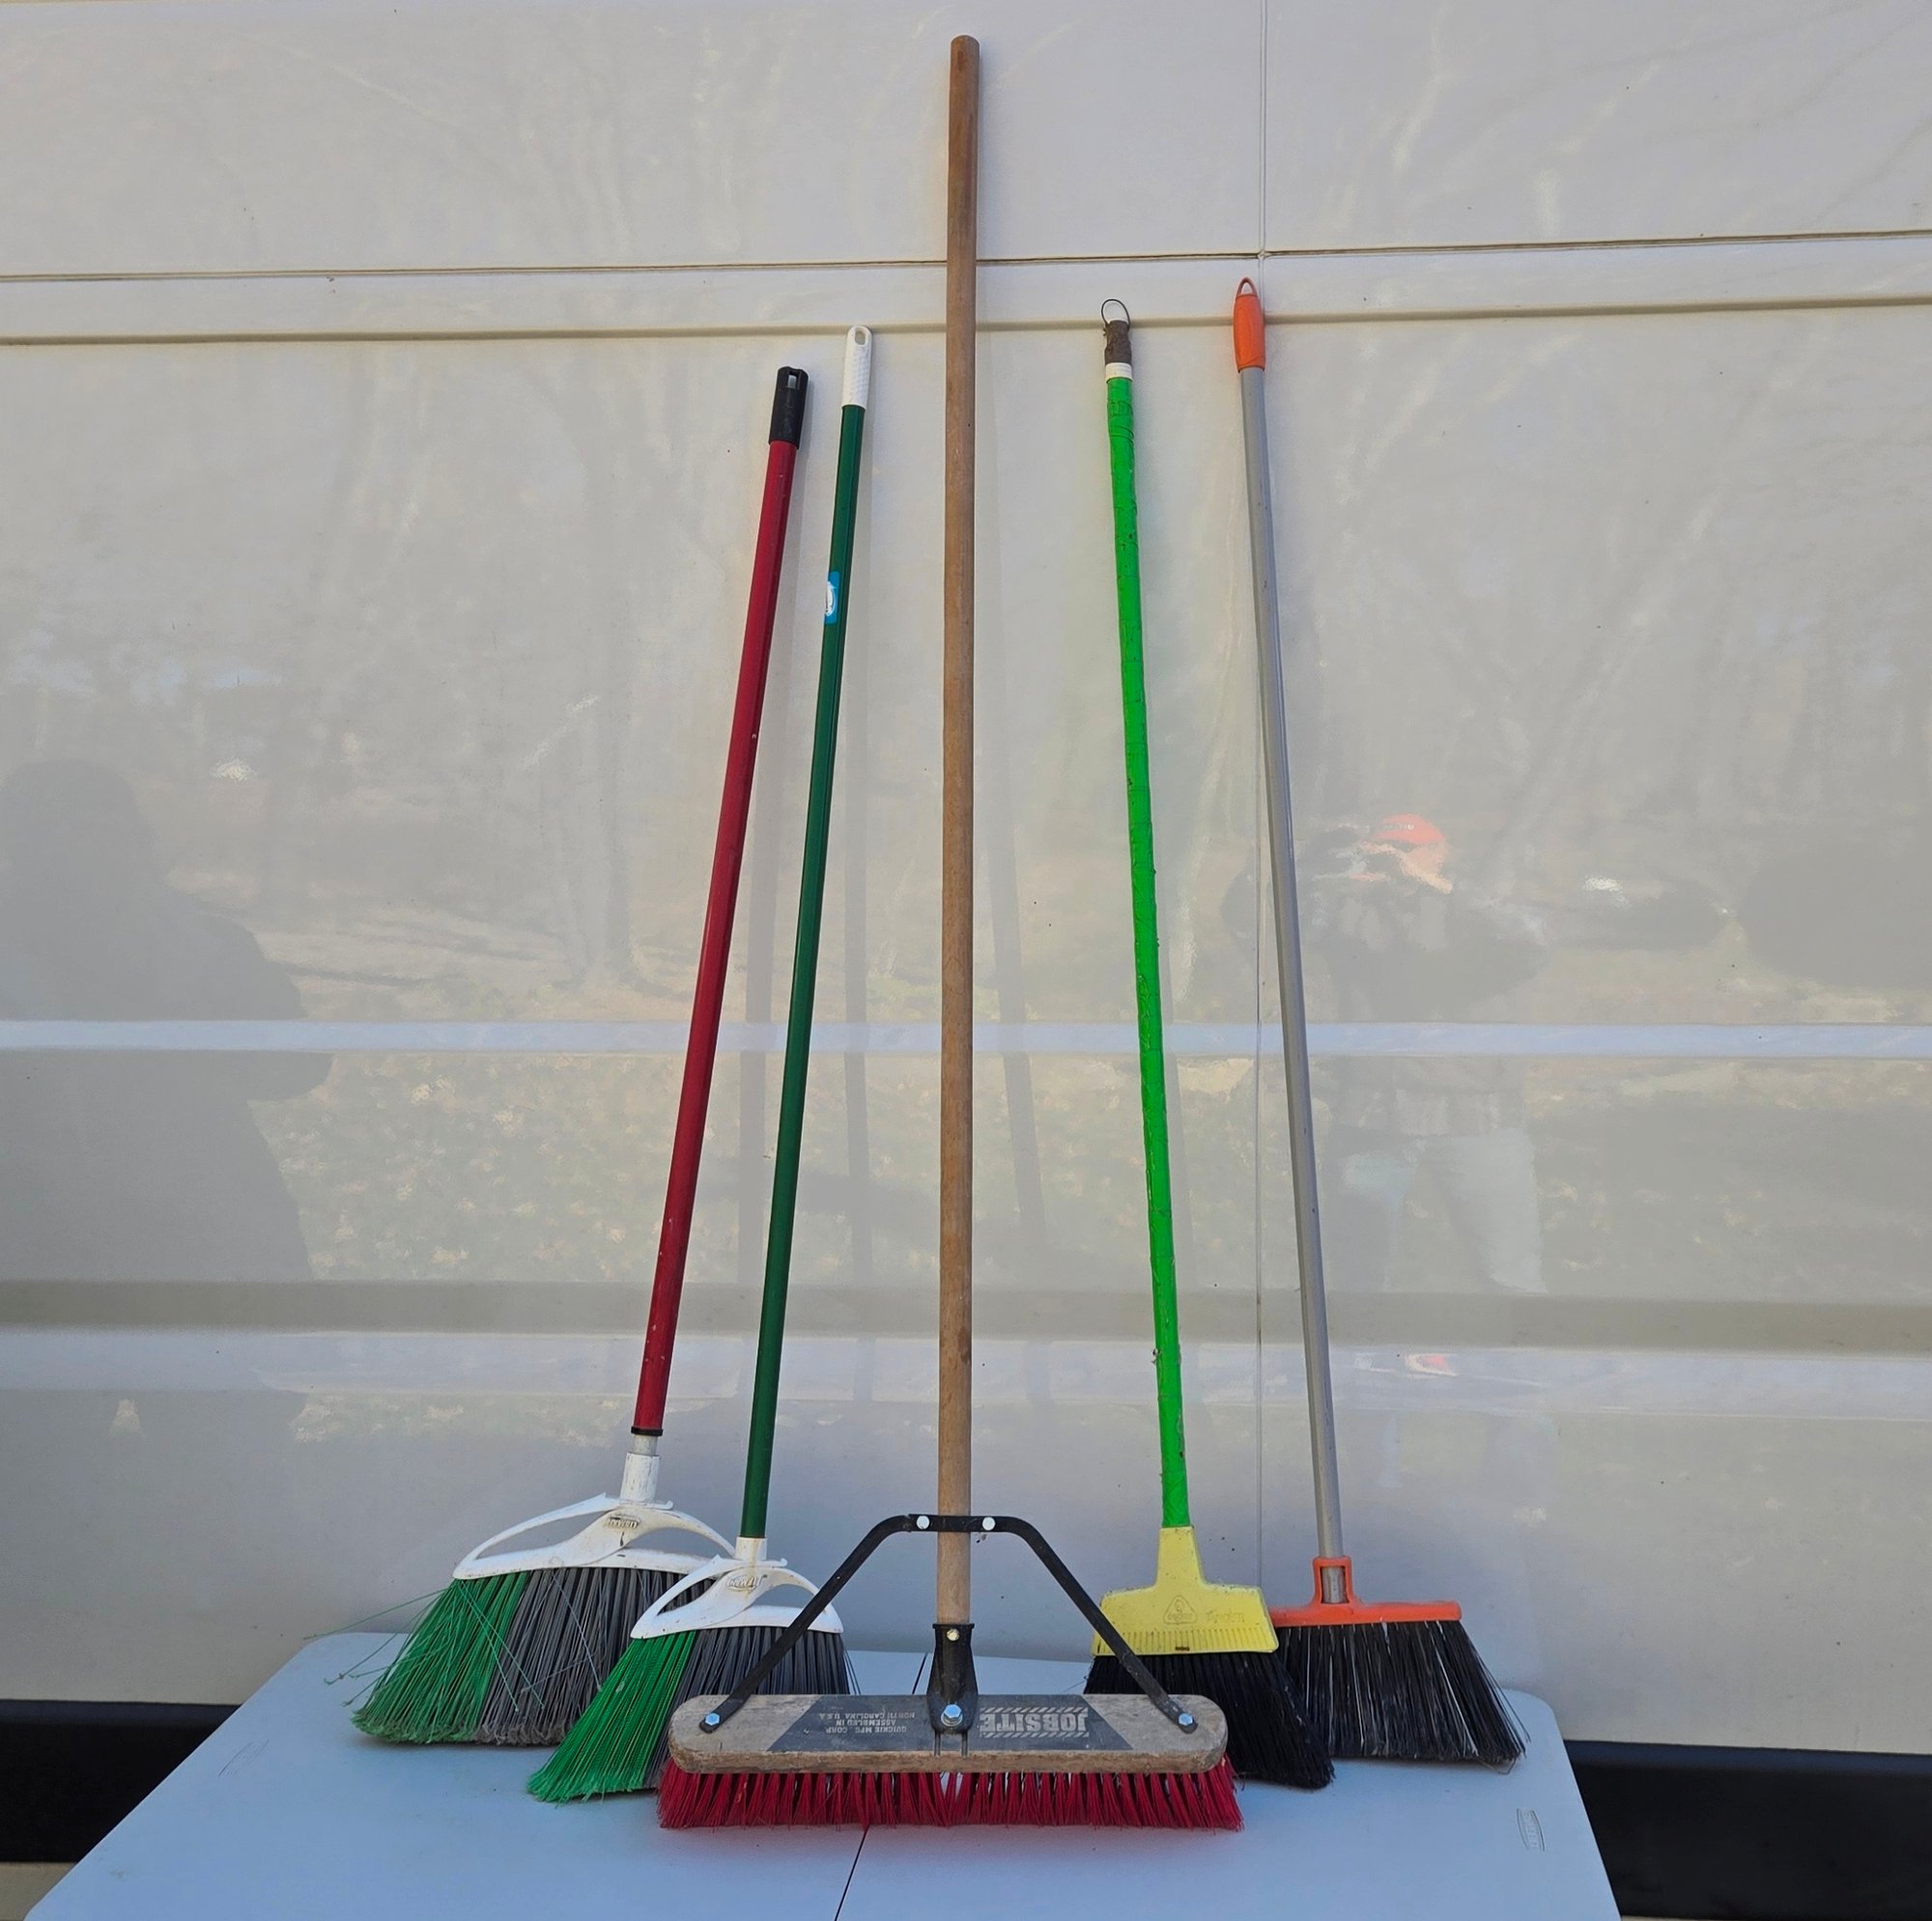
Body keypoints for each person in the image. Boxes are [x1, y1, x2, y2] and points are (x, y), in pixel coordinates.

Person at [0, 760, 327, 1282]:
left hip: (207, 1248)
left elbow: (297, 1067)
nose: (102, 859)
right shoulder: (17, 960)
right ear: (26, 852)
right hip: (40, 1251)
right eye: (71, 840)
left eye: (116, 837)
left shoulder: (206, 949)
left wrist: (199, 1008)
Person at [1305, 812, 1547, 1295]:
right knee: (1356, 1278)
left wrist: (1432, 885)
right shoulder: (1348, 911)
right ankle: (1364, 1345)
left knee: (1508, 1274)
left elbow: (1534, 938)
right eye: (1382, 852)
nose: (1393, 862)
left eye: (1405, 851)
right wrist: (1310, 864)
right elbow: (1255, 924)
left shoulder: (1470, 908)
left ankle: (1520, 1345)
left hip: (1477, 1115)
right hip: (1373, 1115)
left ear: (1440, 853)